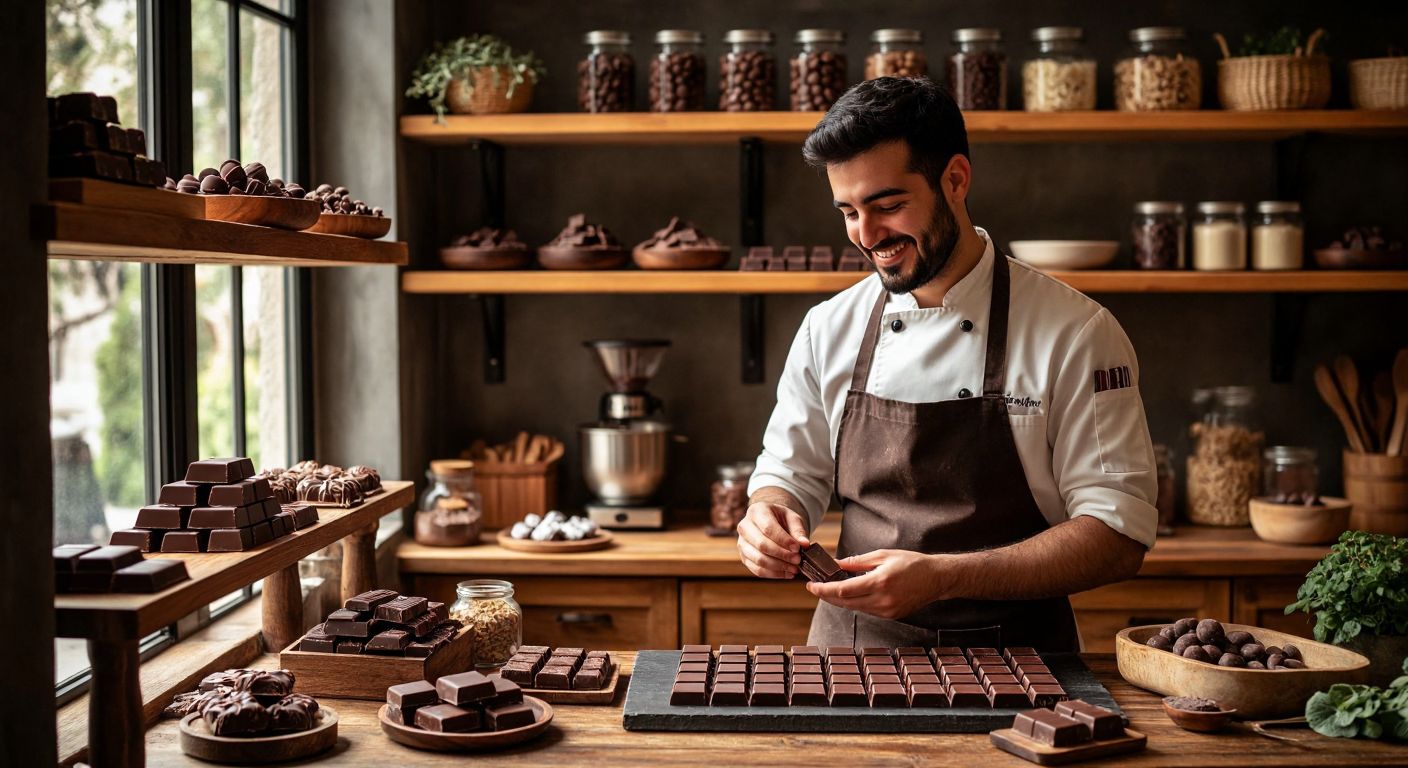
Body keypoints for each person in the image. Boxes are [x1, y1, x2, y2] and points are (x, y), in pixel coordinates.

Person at [737, 77, 1158, 650]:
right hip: (852, 657)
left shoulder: (1077, 332)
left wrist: (947, 576)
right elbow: (789, 475)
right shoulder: (828, 328)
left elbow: (1116, 536)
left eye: (888, 205)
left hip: (1023, 666)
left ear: (955, 179)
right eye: (848, 212)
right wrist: (768, 517)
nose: (867, 235)